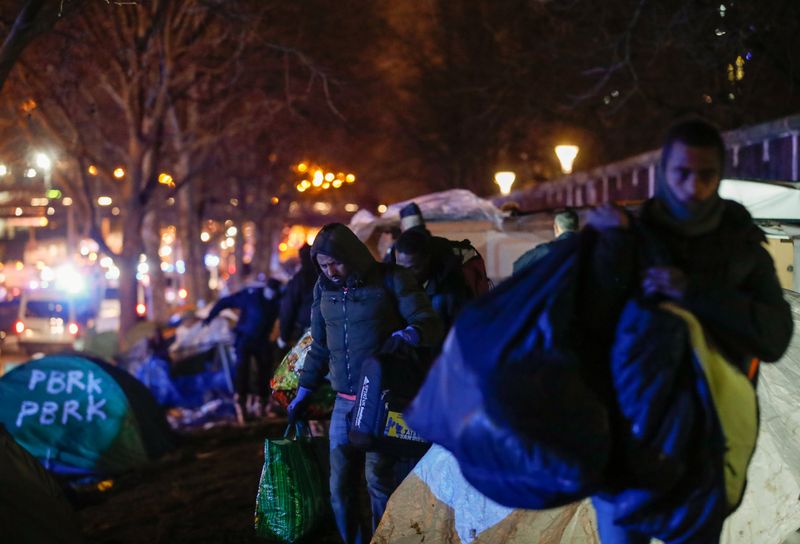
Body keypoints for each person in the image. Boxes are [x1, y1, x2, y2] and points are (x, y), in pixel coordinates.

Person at [585, 119, 793, 543]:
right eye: (682, 173)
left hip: (704, 451)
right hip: (624, 446)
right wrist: (608, 250)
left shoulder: (741, 247)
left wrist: (695, 292)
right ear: (662, 173)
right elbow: (583, 333)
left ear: (719, 176)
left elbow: (774, 338)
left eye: (706, 175)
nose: (693, 187)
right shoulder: (625, 239)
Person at [287, 223, 442, 544]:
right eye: (324, 265)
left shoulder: (391, 279)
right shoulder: (322, 288)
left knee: (378, 481)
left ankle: (384, 539)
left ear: (353, 255)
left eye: (336, 263)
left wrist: (407, 334)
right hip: (342, 402)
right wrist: (303, 391)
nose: (330, 271)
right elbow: (319, 345)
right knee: (339, 486)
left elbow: (429, 323)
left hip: (381, 401)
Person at [203, 267, 280, 421]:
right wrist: (210, 317)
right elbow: (226, 302)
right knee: (242, 370)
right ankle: (242, 404)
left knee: (265, 370)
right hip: (244, 338)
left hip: (262, 340)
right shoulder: (250, 297)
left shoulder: (277, 301)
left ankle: (261, 403)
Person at [395, 227, 472, 334]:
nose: (405, 273)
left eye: (413, 268)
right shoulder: (394, 274)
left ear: (427, 260)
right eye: (401, 267)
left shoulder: (449, 291)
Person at [512, 208, 579, 275]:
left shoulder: (546, 250)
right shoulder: (587, 250)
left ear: (556, 228)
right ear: (577, 228)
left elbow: (518, 266)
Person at [277, 244, 318, 349]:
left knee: (302, 362)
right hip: (324, 330)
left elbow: (288, 308)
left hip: (305, 331)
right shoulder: (325, 275)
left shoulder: (299, 279)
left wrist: (283, 336)